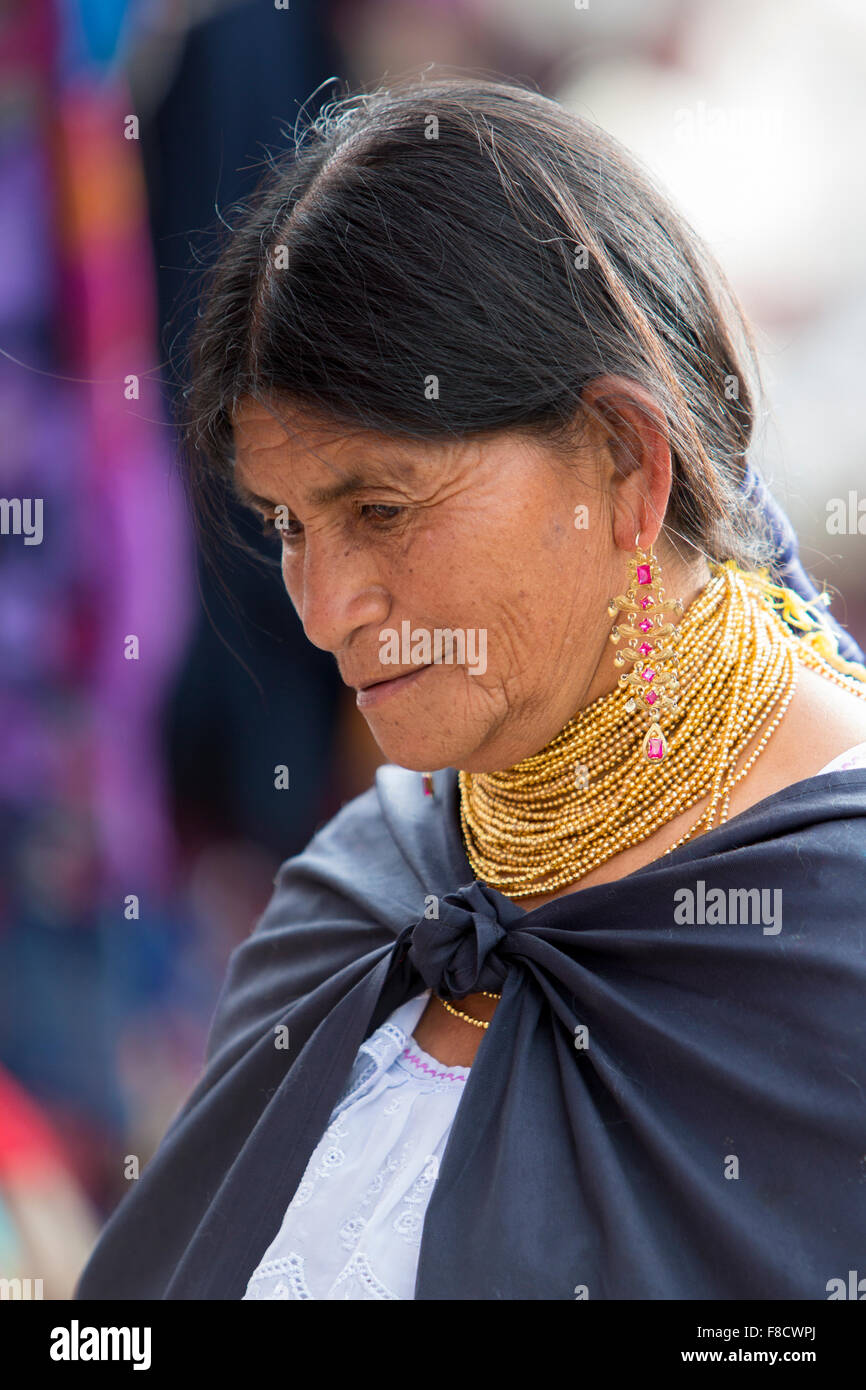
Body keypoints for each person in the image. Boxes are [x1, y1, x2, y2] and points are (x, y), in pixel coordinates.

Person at [74, 73, 866, 1301]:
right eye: (286, 523)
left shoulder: (831, 944)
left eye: (380, 509)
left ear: (624, 464)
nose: (326, 608)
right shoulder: (364, 890)